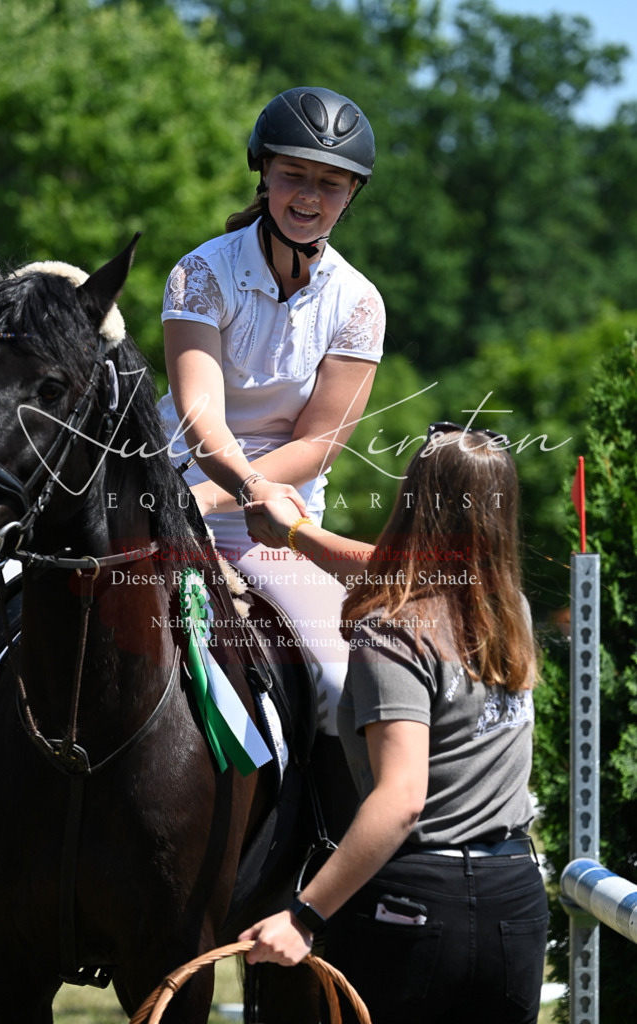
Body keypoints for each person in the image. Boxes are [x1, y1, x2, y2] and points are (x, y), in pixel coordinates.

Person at [239, 424, 549, 1024]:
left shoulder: (392, 629)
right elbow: (395, 574)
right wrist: (297, 534)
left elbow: (403, 798)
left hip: (414, 908)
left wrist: (304, 917)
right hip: (516, 899)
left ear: (413, 501)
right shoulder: (511, 608)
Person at [158, 86, 385, 834]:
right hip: (167, 502)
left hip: (281, 529)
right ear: (265, 174)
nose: (308, 197)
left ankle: (321, 859)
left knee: (336, 673)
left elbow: (321, 444)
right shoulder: (201, 273)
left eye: (329, 182)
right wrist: (236, 488)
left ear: (351, 193)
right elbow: (200, 418)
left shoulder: (359, 303)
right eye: (294, 175)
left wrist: (252, 502)